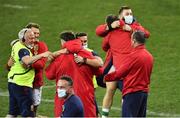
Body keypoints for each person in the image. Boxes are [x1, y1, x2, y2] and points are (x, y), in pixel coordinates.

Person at [96, 6, 150, 117]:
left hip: (129, 66)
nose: (130, 16)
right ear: (120, 17)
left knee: (126, 93)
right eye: (127, 14)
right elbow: (99, 31)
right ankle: (104, 116)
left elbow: (146, 34)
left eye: (131, 13)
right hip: (119, 66)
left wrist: (131, 29)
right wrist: (109, 26)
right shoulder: (113, 29)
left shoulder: (135, 27)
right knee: (111, 89)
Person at [45, 31, 102, 117]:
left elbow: (49, 75)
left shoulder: (59, 57)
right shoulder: (86, 53)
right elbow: (100, 71)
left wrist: (53, 58)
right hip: (85, 97)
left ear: (63, 42)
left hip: (65, 98)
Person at [104, 30, 154, 117]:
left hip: (132, 93)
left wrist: (107, 77)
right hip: (144, 93)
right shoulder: (149, 56)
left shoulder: (133, 56)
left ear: (134, 40)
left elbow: (120, 73)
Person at [7, 28, 52, 117]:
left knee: (12, 114)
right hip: (22, 84)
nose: (33, 40)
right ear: (23, 39)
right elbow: (27, 61)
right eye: (30, 38)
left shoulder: (16, 44)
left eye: (34, 38)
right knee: (28, 114)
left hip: (13, 82)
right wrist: (42, 55)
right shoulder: (23, 50)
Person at [75, 32, 103, 116]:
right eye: (81, 42)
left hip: (90, 86)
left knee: (92, 110)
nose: (83, 44)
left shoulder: (91, 52)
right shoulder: (72, 52)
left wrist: (84, 60)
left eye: (85, 41)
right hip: (77, 86)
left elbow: (101, 63)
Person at [26, 22, 48, 116]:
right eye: (34, 33)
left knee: (35, 105)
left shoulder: (42, 46)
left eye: (38, 33)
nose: (36, 35)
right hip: (23, 81)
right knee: (24, 107)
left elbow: (41, 64)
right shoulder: (20, 45)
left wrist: (28, 62)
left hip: (36, 81)